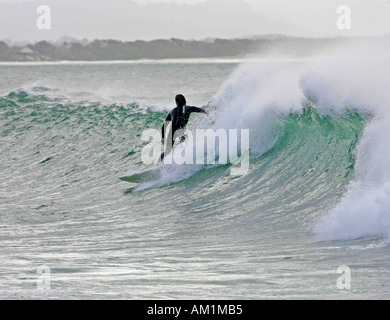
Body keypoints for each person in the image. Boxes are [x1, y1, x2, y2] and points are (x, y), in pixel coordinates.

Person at [159, 94, 208, 163]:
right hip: (181, 130)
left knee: (167, 151)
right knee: (185, 146)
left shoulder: (172, 111)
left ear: (176, 103)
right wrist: (209, 114)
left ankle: (158, 164)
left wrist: (163, 138)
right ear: (185, 101)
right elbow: (202, 110)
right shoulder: (188, 108)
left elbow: (164, 126)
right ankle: (186, 162)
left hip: (172, 131)